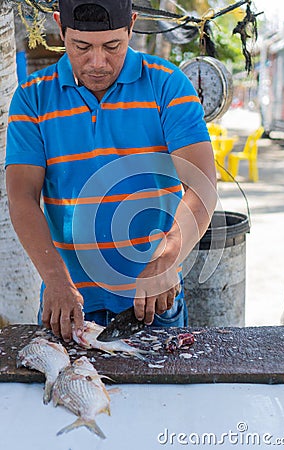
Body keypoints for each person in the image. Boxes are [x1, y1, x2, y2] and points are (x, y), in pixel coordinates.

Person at [6, 0, 217, 342]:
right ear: (61, 27)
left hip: (153, 303)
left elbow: (202, 185)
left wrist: (167, 258)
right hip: (69, 303)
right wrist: (56, 280)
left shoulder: (168, 85)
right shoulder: (32, 97)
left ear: (131, 26)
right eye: (82, 47)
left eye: (113, 46)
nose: (98, 62)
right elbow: (22, 196)